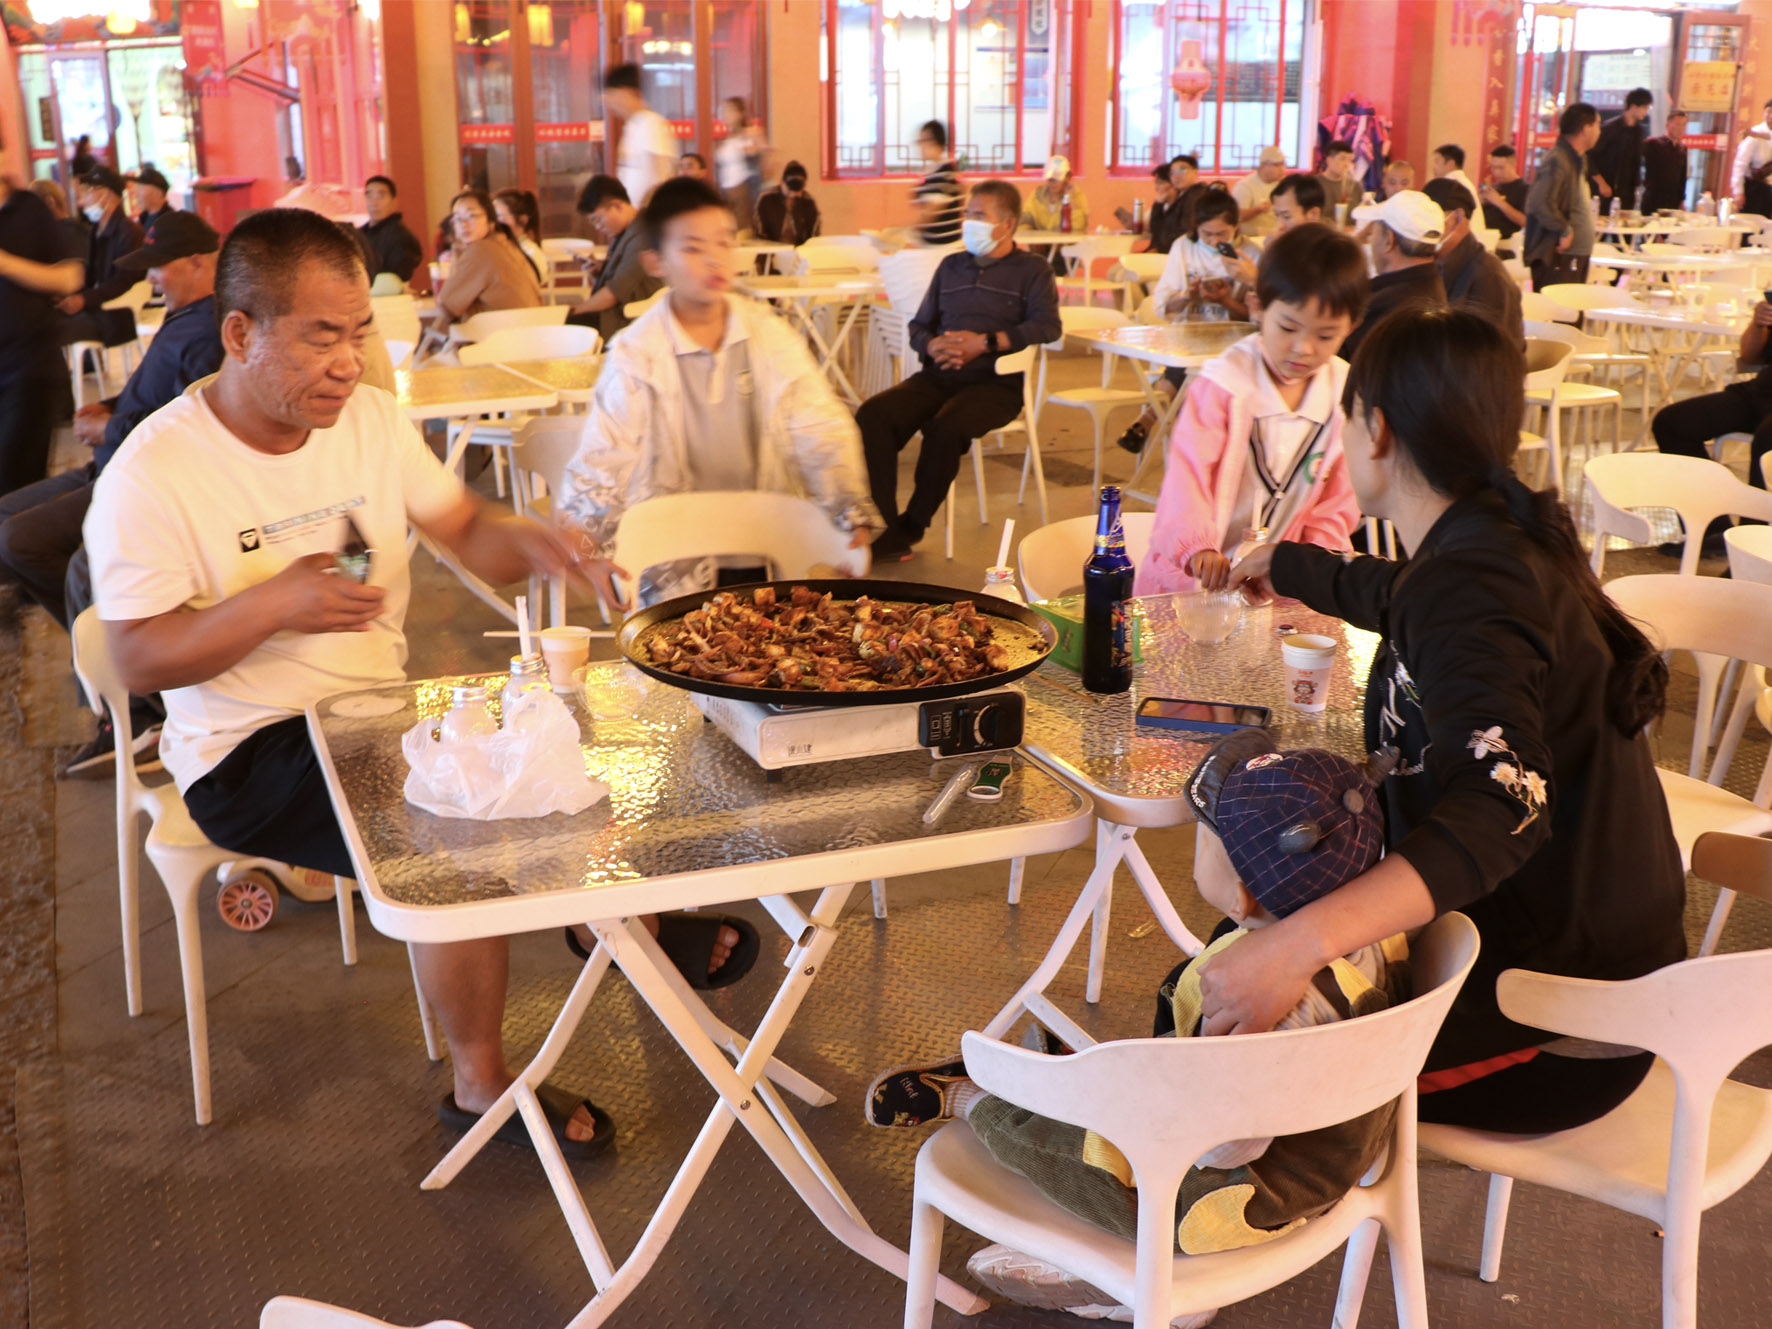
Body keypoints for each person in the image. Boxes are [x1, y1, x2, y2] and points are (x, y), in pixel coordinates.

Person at [84, 207, 757, 1162]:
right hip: (247, 751)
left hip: (379, 716)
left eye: (360, 332)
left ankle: (615, 923)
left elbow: (469, 529)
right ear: (239, 333)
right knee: (449, 834)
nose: (349, 362)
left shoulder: (365, 420)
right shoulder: (156, 471)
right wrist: (274, 602)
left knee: (567, 734)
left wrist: (541, 542)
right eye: (321, 336)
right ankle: (481, 1086)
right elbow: (139, 660)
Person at [1222, 305, 1684, 1137]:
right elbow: (1400, 596)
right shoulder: (1493, 540)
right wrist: (1286, 564)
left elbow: (1504, 803)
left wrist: (1296, 948)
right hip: (1580, 967)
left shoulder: (1472, 578)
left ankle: (1142, 1189)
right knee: (1232, 964)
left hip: (1559, 1025)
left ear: (1375, 429)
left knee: (1226, 1058)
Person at [863, 731, 1405, 1324]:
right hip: (1326, 1154)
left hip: (1234, 1196)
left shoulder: (1273, 1014)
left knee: (1078, 1162)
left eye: (1205, 836)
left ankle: (975, 1100)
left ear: (1242, 898)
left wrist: (1129, 1114)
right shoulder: (1363, 933)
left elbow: (1221, 1147)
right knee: (1137, 1056)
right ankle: (1061, 1085)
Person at [557, 177, 882, 608]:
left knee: (771, 639)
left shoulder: (769, 334)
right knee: (686, 643)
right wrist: (586, 548)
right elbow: (604, 456)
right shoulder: (636, 353)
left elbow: (819, 426)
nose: (714, 259)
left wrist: (849, 512)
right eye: (693, 248)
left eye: (724, 242)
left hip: (766, 547)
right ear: (655, 262)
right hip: (674, 561)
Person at [0, 211, 223, 773]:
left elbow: (189, 420)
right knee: (9, 527)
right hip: (109, 464)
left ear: (199, 262)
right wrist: (113, 404)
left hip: (138, 477)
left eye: (160, 267)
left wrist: (112, 426)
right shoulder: (183, 314)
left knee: (42, 549)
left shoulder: (212, 329)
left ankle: (129, 704)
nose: (152, 278)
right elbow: (154, 393)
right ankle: (105, 658)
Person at [1135, 223, 1366, 596]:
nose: (1303, 348)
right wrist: (1197, 547)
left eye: (1325, 335)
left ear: (1350, 327)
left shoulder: (1344, 395)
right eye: (1288, 328)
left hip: (1279, 589)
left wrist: (1312, 565)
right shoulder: (1224, 385)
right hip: (1196, 580)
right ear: (1257, 308)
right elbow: (1187, 478)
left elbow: (1337, 503)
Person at [857, 180, 1060, 561]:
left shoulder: (1033, 270)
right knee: (874, 414)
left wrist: (985, 342)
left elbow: (1048, 327)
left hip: (995, 384)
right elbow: (919, 326)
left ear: (1007, 225)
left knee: (945, 427)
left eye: (979, 215)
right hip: (939, 376)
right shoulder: (951, 266)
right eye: (968, 214)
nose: (969, 222)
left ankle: (913, 524)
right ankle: (884, 528)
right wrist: (932, 345)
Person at [1115, 189, 1261, 456]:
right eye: (1207, 234)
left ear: (1236, 225)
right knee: (1185, 362)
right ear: (1196, 228)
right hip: (1190, 335)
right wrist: (1188, 295)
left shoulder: (1250, 256)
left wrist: (1226, 300)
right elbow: (1163, 306)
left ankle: (1147, 421)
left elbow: (1256, 319)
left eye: (1222, 234)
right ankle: (1172, 435)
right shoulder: (1184, 247)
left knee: (1190, 370)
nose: (1214, 241)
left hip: (1234, 342)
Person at [0, 173, 83, 498]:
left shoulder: (29, 209)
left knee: (14, 483)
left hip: (27, 366)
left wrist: (6, 264)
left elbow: (70, 278)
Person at [1651, 295, 1772, 514]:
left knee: (1768, 436)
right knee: (1673, 423)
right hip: (1763, 390)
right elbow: (1749, 357)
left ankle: (1754, 528)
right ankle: (1710, 522)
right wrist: (1759, 323)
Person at [1339, 191, 1447, 364]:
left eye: (1373, 231)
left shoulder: (1387, 304)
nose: (1369, 238)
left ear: (1389, 240)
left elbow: (1339, 361)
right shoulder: (1432, 286)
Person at [1422, 177, 1522, 348]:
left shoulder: (1488, 276)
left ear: (1457, 217)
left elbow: (1493, 353)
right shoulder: (1437, 264)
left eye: (1430, 217)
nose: (1423, 226)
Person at [429, 188, 542, 337]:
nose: (464, 224)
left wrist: (457, 254)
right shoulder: (505, 243)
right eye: (457, 218)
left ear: (491, 221)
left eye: (471, 216)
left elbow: (446, 306)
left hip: (503, 341)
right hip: (531, 336)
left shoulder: (481, 249)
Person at [564, 174, 660, 342]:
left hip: (626, 321)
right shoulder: (626, 232)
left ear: (617, 206)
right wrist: (598, 274)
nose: (598, 227)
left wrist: (573, 310)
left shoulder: (642, 237)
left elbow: (613, 294)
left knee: (565, 327)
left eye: (598, 220)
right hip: (616, 314)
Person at [59, 165, 143, 349]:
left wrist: (84, 300)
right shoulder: (95, 230)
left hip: (117, 313)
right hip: (96, 307)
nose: (82, 201)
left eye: (88, 192)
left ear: (107, 194)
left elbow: (123, 281)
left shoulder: (129, 232)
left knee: (54, 329)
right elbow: (91, 278)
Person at [1525, 103, 1600, 293]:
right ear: (1586, 128)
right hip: (1559, 255)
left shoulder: (1577, 159)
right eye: (1598, 125)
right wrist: (1564, 229)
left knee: (1573, 309)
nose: (1600, 131)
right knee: (1558, 310)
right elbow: (1539, 202)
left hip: (1575, 254)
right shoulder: (1558, 159)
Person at [606, 62, 677, 207]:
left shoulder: (650, 123)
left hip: (650, 214)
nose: (610, 104)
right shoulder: (632, 126)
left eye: (613, 95)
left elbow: (663, 176)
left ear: (628, 92)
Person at [1588, 87, 1653, 208]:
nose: (1646, 111)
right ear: (1633, 106)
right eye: (1644, 107)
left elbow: (1636, 162)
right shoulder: (1610, 128)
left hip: (1627, 194)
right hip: (1606, 190)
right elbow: (1589, 157)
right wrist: (1601, 183)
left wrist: (1636, 188)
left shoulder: (1639, 131)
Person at [357, 175, 424, 286]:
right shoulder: (359, 234)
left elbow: (397, 279)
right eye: (369, 196)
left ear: (394, 202)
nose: (374, 202)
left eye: (380, 196)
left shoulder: (402, 236)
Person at [714, 96, 766, 224]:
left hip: (742, 185)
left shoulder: (750, 132)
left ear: (740, 113)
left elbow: (764, 155)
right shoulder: (725, 138)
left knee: (742, 226)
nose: (725, 114)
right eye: (723, 110)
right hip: (725, 187)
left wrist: (754, 150)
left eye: (729, 110)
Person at [913, 120, 963, 246]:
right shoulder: (933, 171)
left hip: (942, 246)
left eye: (923, 141)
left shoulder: (945, 173)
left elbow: (931, 212)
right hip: (931, 243)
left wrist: (910, 231)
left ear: (936, 142)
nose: (920, 146)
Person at [752, 161, 821, 245]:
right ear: (782, 182)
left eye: (797, 191)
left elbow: (814, 234)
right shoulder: (766, 199)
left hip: (800, 249)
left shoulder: (808, 202)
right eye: (789, 190)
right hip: (772, 248)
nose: (792, 195)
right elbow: (760, 232)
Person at [1478, 144, 1528, 255]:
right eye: (1494, 167)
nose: (1496, 172)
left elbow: (1525, 221)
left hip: (1506, 245)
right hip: (1485, 240)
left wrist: (1499, 202)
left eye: (1501, 168)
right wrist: (1481, 202)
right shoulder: (1494, 188)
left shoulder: (1524, 189)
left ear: (1513, 164)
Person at [1125, 162, 1183, 255]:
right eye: (1156, 183)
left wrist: (1158, 203)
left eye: (1160, 183)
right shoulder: (1163, 205)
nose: (1156, 188)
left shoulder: (1181, 208)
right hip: (1155, 253)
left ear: (1174, 184)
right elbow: (1151, 225)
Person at [1022, 154, 1088, 234]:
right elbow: (1024, 223)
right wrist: (1032, 238)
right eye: (1050, 179)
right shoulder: (1036, 196)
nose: (1052, 183)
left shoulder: (1077, 197)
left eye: (1057, 179)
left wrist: (1070, 198)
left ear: (1067, 178)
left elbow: (1078, 228)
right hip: (1040, 241)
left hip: (1066, 242)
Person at [1641, 109, 1690, 214]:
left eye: (1684, 125)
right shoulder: (1653, 143)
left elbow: (1683, 177)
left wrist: (1682, 200)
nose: (1681, 128)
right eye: (1678, 124)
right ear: (1667, 125)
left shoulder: (1682, 148)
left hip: (1673, 201)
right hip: (1653, 198)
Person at [1230, 145, 1287, 236]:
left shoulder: (1281, 184)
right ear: (1263, 166)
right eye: (1277, 165)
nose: (1282, 169)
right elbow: (1237, 216)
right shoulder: (1245, 186)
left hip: (1277, 234)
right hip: (1251, 238)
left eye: (1283, 164)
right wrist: (1258, 210)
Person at [492, 187, 547, 276]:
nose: (494, 222)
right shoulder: (497, 247)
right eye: (492, 216)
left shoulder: (531, 254)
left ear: (523, 219)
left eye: (500, 216)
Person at [1732, 100, 1772, 217]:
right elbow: (1740, 163)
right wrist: (1738, 191)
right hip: (1754, 187)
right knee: (1750, 223)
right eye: (1768, 112)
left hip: (1769, 189)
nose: (1771, 116)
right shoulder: (1754, 133)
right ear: (1763, 114)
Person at [1316, 141, 1361, 221]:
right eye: (1342, 159)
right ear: (1329, 160)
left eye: (1349, 160)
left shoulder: (1355, 186)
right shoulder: (1315, 184)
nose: (1346, 164)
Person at [1169, 154, 1208, 235]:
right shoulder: (1179, 195)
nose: (1177, 176)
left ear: (1195, 172)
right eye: (1173, 172)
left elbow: (1187, 229)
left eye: (1182, 170)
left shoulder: (1197, 195)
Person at [127, 165, 174, 231]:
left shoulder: (171, 222)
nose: (137, 195)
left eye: (141, 188)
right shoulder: (143, 218)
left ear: (158, 193)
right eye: (137, 189)